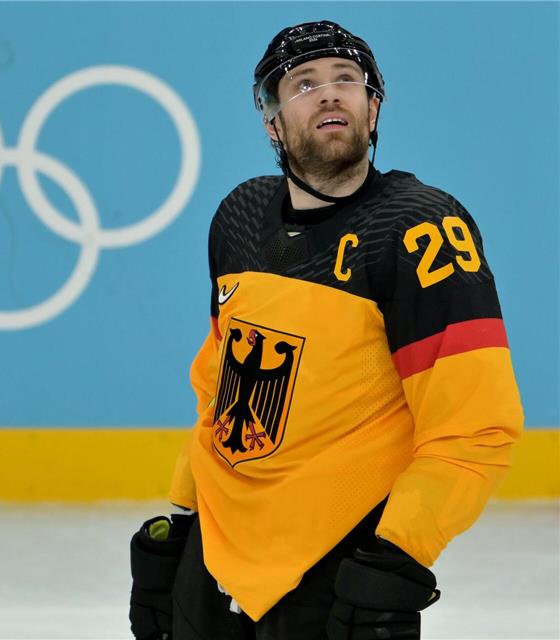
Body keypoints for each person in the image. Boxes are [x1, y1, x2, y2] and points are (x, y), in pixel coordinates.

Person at [129, 20, 524, 640]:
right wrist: (183, 517)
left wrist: (397, 557)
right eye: (303, 83)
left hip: (336, 571)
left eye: (348, 80)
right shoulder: (239, 217)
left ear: (374, 106)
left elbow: (476, 426)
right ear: (271, 122)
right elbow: (222, 390)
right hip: (214, 564)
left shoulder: (419, 228)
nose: (330, 93)